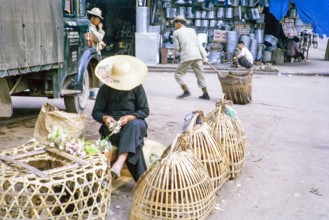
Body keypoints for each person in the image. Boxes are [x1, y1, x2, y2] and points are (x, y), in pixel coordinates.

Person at [92, 55, 149, 182]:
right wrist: (105, 117)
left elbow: (144, 111)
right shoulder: (105, 89)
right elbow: (96, 112)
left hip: (136, 124)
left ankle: (120, 161)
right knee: (136, 143)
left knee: (133, 126)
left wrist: (130, 117)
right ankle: (143, 182)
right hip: (113, 129)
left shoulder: (137, 87)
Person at [173, 16, 210, 100]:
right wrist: (204, 56)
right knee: (200, 75)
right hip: (197, 55)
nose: (174, 26)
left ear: (178, 23)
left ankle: (186, 91)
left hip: (187, 56)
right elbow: (198, 44)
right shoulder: (192, 30)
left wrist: (179, 50)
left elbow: (177, 48)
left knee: (177, 74)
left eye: (175, 24)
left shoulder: (176, 32)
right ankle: (206, 94)